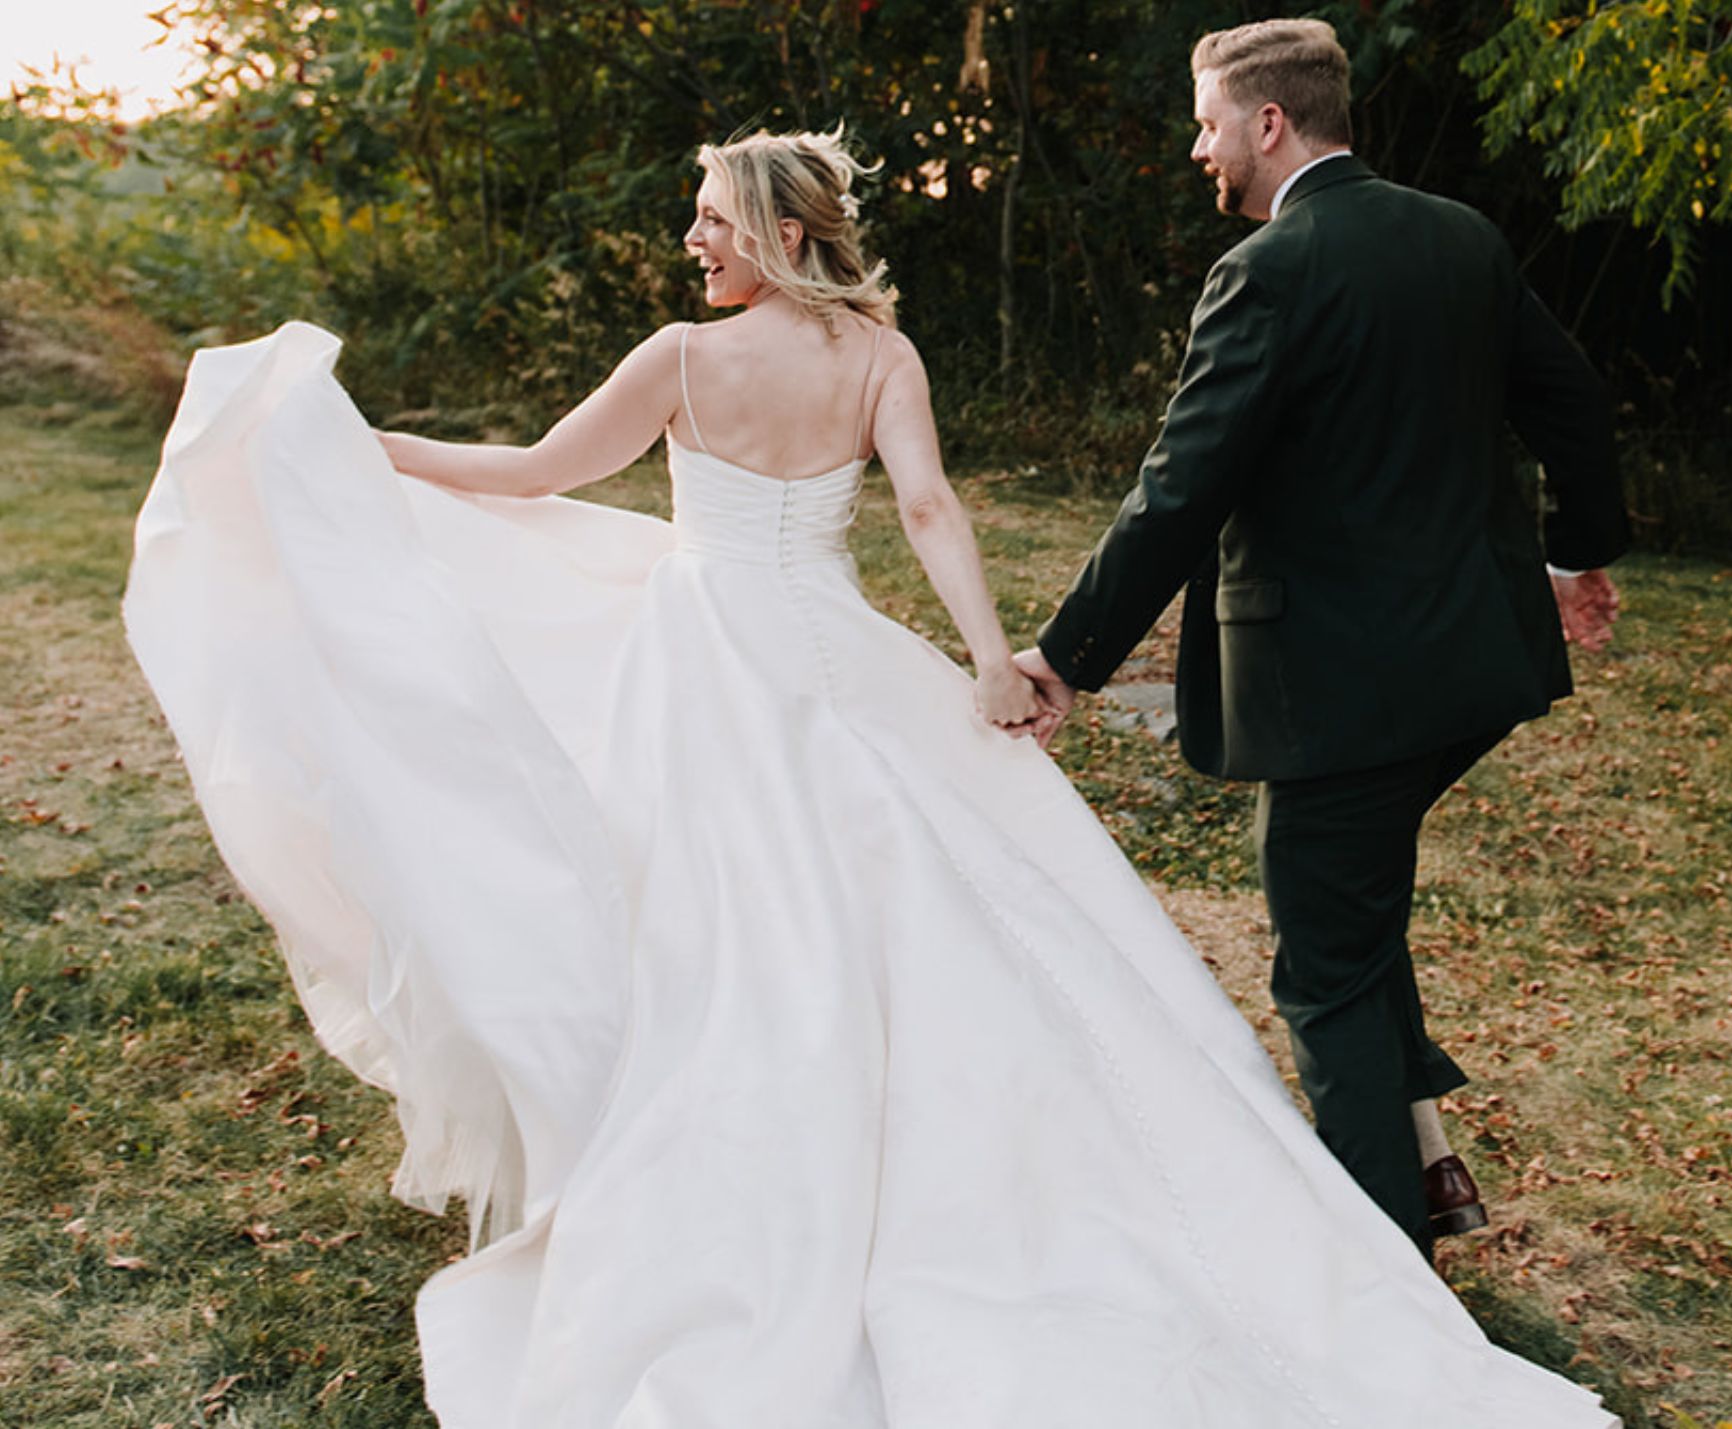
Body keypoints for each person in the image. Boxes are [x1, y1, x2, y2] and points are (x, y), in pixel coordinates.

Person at [124, 127, 1618, 1424]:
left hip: (703, 652)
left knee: (698, 921)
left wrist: (366, 448)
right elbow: (924, 504)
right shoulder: (880, 355)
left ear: (778, 235)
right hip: (845, 659)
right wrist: (981, 657)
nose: (691, 240)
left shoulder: (683, 362)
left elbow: (532, 474)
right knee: (916, 913)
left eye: (710, 218)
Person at [1015, 18, 1630, 1260]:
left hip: (1350, 687)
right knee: (1351, 914)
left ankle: (1381, 1267)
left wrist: (1063, 656)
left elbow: (1181, 488)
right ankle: (1431, 1170)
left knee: (1322, 955)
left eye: (1205, 122)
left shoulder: (1271, 270)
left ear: (1268, 122)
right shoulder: (1458, 237)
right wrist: (1575, 549)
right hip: (1471, 666)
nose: (1197, 147)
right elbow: (1571, 401)